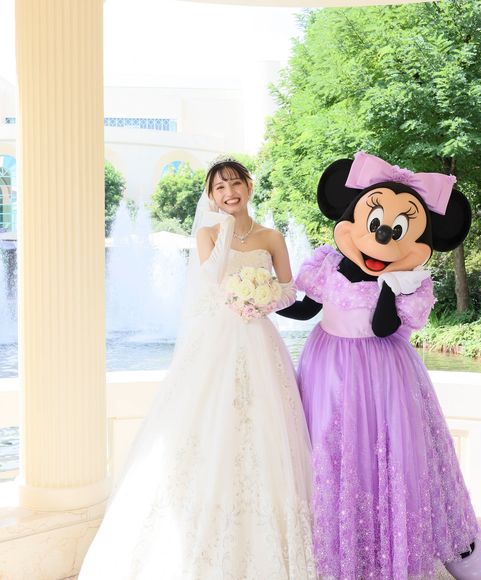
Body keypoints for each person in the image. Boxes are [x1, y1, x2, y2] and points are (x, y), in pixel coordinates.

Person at [79, 158, 316, 579]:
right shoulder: (207, 234)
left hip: (260, 340)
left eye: (235, 183)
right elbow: (211, 279)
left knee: (267, 425)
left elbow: (288, 291)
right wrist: (224, 233)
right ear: (210, 196)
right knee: (210, 424)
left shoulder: (272, 237)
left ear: (249, 186)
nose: (229, 192)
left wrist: (261, 297)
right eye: (219, 188)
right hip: (217, 341)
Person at [278, 152, 481, 579]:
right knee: (332, 450)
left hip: (384, 372)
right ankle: (342, 548)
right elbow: (305, 309)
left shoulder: (409, 283)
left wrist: (391, 286)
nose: (382, 238)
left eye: (397, 231)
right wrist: (263, 301)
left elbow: (382, 327)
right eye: (375, 224)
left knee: (401, 451)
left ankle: (447, 545)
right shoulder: (328, 263)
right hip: (328, 368)